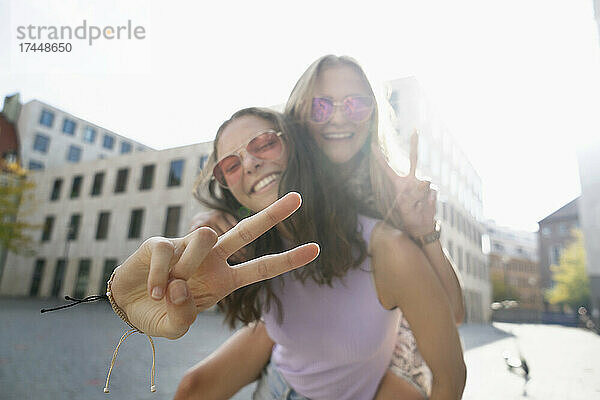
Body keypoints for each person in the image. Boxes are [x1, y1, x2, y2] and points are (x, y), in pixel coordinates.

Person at [178, 55, 464, 399]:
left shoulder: (390, 204)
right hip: (300, 341)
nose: (339, 116)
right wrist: (206, 228)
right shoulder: (263, 207)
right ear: (297, 120)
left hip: (370, 346)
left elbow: (451, 316)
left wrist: (424, 232)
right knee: (192, 388)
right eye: (321, 107)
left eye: (356, 104)